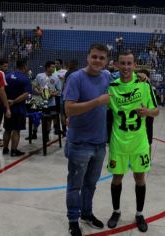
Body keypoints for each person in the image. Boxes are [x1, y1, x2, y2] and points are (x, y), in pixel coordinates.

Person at [106, 51, 159, 232]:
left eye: (130, 63)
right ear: (117, 65)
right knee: (117, 178)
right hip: (118, 141)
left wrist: (148, 112)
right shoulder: (111, 86)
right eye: (123, 63)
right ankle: (116, 211)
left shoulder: (144, 85)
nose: (126, 67)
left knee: (140, 178)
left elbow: (156, 110)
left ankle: (139, 213)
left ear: (135, 65)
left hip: (139, 142)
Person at [63, 43, 111, 236]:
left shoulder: (107, 76)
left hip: (100, 142)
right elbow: (69, 109)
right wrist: (97, 102)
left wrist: (141, 74)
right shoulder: (76, 78)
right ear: (88, 57)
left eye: (102, 58)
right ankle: (73, 219)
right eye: (95, 57)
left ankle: (87, 213)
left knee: (91, 183)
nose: (98, 61)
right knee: (75, 185)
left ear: (106, 61)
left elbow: (125, 79)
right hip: (80, 143)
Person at [2, 60, 32, 156]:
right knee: (16, 130)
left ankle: (5, 149)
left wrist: (7, 102)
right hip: (18, 108)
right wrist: (14, 101)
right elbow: (26, 94)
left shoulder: (7, 76)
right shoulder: (25, 78)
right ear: (24, 66)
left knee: (7, 129)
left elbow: (1, 90)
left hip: (7, 108)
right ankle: (14, 151)